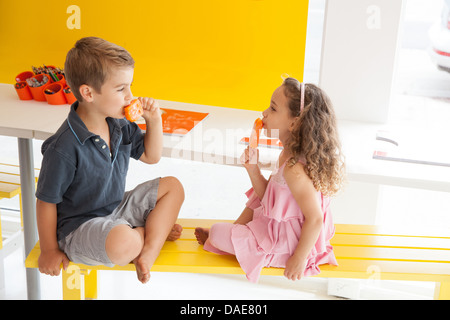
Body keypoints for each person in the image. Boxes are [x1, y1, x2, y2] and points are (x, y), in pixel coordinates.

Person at [35, 37, 184, 284]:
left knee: (173, 186)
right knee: (123, 243)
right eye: (121, 89)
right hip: (79, 228)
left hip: (115, 209)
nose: (130, 97)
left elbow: (151, 156)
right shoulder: (63, 147)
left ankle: (147, 249)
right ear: (88, 93)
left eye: (130, 87)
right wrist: (49, 250)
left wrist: (154, 120)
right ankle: (149, 233)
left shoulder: (118, 124)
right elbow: (46, 202)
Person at [195, 77, 345, 283]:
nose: (264, 113)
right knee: (254, 201)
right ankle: (236, 234)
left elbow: (316, 218)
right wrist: (253, 170)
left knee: (218, 232)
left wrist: (299, 258)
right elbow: (270, 199)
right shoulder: (287, 154)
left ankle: (235, 239)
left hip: (288, 245)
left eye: (273, 109)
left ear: (295, 122)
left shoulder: (295, 169)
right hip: (279, 230)